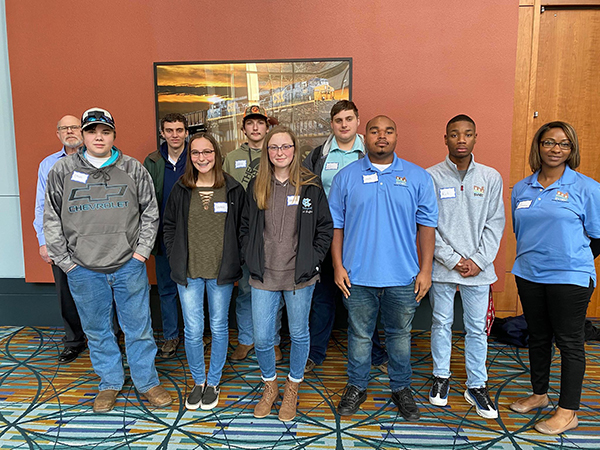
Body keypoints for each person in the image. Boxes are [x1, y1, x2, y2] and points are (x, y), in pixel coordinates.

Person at [44, 108, 171, 413]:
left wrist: (140, 253)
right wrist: (66, 262)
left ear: (114, 135)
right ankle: (110, 382)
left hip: (128, 265)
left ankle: (147, 381)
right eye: (92, 131)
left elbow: (150, 213)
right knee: (97, 330)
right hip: (83, 269)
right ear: (83, 135)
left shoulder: (132, 169)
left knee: (138, 328)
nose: (98, 137)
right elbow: (50, 217)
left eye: (105, 132)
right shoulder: (61, 171)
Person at [328, 115, 438, 420]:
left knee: (400, 337)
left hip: (403, 277)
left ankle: (401, 388)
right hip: (357, 276)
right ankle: (357, 386)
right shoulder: (346, 177)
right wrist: (338, 266)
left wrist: (426, 270)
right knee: (360, 336)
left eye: (388, 131)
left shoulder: (417, 178)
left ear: (396, 136)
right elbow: (336, 227)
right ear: (366, 136)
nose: (382, 136)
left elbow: (427, 226)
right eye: (375, 131)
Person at [510, 121, 600, 435]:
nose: (555, 149)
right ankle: (539, 395)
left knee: (569, 342)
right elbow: (520, 231)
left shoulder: (587, 188)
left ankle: (568, 411)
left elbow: (598, 236)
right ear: (538, 146)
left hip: (570, 277)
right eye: (549, 142)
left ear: (572, 150)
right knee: (538, 337)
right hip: (529, 274)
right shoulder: (521, 189)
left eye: (563, 144)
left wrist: (571, 258)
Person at [241, 125, 333, 421]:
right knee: (263, 336)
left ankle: (292, 386)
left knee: (298, 333)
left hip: (300, 276)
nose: (280, 153)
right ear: (267, 152)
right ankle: (270, 386)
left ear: (295, 150)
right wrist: (249, 254)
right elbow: (244, 227)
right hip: (263, 275)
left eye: (285, 147)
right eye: (274, 148)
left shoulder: (310, 185)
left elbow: (324, 228)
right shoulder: (257, 185)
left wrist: (313, 260)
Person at [426, 114, 505, 419]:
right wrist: (454, 260)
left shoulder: (490, 177)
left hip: (479, 269)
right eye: (454, 135)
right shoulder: (431, 176)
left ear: (475, 138)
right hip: (444, 267)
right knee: (441, 323)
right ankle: (441, 376)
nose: (461, 140)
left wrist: (478, 261)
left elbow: (495, 223)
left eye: (467, 134)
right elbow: (428, 225)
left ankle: (476, 384)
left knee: (476, 328)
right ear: (445, 139)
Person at [303, 100, 387, 373]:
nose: (344, 125)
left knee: (362, 298)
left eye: (349, 119)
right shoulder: (319, 156)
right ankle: (315, 352)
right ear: (332, 124)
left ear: (358, 121)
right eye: (338, 120)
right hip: (326, 236)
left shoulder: (371, 153)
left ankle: (374, 353)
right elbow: (305, 193)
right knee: (322, 297)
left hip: (361, 238)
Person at [163, 132, 244, 410]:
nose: (202, 158)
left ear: (216, 154)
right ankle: (198, 381)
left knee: (219, 327)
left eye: (207, 152)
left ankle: (214, 382)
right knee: (194, 329)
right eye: (195, 153)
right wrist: (175, 257)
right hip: (188, 272)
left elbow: (242, 230)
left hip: (221, 272)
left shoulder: (232, 189)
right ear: (190, 156)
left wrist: (237, 260)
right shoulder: (181, 188)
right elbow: (169, 226)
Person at [223, 105, 284, 362]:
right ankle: (246, 339)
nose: (256, 127)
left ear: (267, 127)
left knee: (274, 290)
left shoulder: (277, 154)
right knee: (247, 288)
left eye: (260, 123)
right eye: (250, 123)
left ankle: (272, 341)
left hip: (273, 232)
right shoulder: (231, 157)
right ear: (244, 127)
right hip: (243, 233)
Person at [34, 115, 86, 364]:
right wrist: (43, 241)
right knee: (65, 293)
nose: (70, 131)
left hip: (91, 238)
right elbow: (41, 205)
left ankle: (111, 337)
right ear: (58, 134)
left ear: (83, 130)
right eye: (64, 128)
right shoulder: (47, 165)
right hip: (60, 240)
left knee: (102, 290)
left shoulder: (97, 158)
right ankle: (74, 341)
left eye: (74, 127)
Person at [144, 113, 189, 358]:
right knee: (166, 289)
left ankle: (196, 333)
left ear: (186, 132)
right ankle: (171, 336)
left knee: (194, 286)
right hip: (162, 235)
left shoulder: (196, 157)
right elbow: (144, 198)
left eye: (179, 130)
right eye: (169, 130)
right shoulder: (152, 161)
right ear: (162, 133)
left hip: (193, 235)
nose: (174, 135)